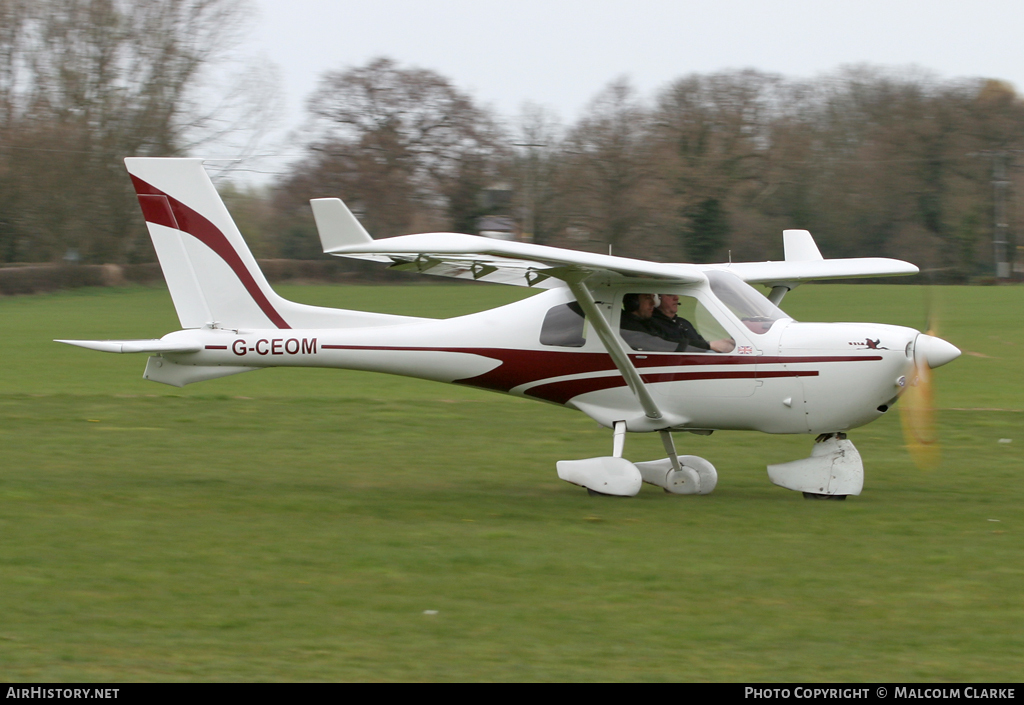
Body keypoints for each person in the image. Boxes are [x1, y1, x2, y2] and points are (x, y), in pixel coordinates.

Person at [649, 294, 736, 353]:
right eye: (670, 295)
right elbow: (668, 345)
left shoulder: (683, 322)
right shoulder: (651, 323)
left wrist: (721, 344)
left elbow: (699, 342)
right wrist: (709, 345)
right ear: (656, 300)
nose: (676, 298)